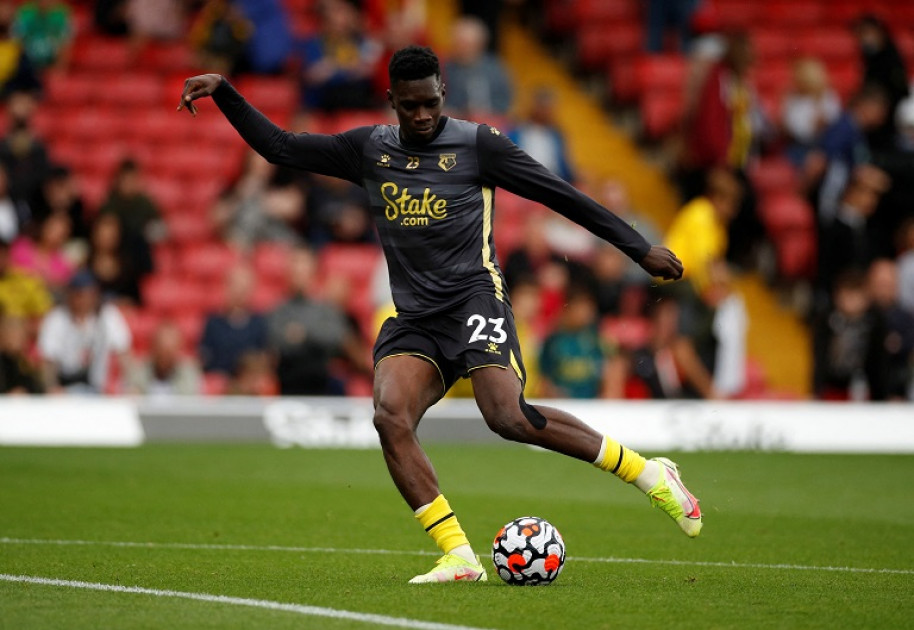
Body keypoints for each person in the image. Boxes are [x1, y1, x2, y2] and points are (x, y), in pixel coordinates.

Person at [178, 45, 698, 584]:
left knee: (507, 416)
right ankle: (458, 555)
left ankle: (651, 474)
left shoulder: (478, 146)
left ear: (442, 93)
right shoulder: (368, 150)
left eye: (429, 102)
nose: (422, 115)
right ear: (392, 101)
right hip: (417, 319)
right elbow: (279, 147)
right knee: (389, 414)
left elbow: (561, 195)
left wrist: (638, 249)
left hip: (475, 299)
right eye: (409, 106)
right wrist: (225, 91)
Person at [37, 269, 132, 394]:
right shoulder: (56, 319)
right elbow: (48, 360)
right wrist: (51, 387)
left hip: (100, 389)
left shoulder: (108, 316)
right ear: (70, 295)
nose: (84, 301)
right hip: (65, 388)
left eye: (90, 295)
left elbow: (123, 353)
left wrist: (129, 385)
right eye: (79, 295)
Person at [126, 321, 202, 396]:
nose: (165, 359)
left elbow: (190, 400)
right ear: (153, 348)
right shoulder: (138, 370)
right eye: (161, 351)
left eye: (169, 353)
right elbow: (129, 398)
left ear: (178, 349)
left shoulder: (188, 373)